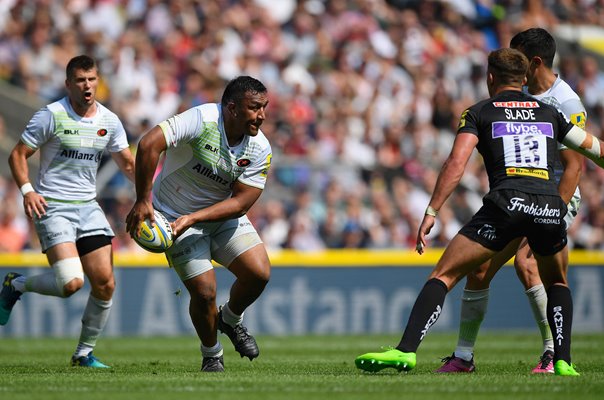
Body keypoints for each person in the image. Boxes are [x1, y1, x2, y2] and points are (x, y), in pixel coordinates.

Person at [355, 47, 604, 376]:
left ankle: (406, 351)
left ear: (490, 77)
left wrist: (432, 210)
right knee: (557, 281)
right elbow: (594, 149)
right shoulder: (549, 113)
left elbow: (456, 163)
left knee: (443, 274)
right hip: (548, 205)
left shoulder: (479, 112)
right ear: (524, 77)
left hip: (507, 203)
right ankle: (562, 360)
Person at [436, 28, 587, 374]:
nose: (513, 67)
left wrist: (554, 214)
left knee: (526, 263)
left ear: (533, 62)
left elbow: (574, 168)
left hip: (554, 197)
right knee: (480, 268)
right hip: (518, 195)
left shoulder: (566, 102)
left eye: (518, 59)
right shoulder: (520, 96)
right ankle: (463, 357)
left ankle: (552, 354)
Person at [125, 75, 272, 373]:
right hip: (171, 215)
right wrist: (143, 199)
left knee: (259, 274)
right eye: (255, 107)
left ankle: (230, 320)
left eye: (264, 107)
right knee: (204, 293)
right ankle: (212, 355)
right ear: (232, 108)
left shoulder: (260, 148)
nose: (262, 115)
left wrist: (194, 218)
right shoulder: (202, 118)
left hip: (217, 217)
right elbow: (149, 144)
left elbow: (242, 203)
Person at [2, 55, 135, 368]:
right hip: (53, 205)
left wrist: (149, 195)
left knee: (105, 283)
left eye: (91, 79)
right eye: (80, 80)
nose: (87, 86)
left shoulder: (109, 121)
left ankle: (83, 354)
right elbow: (18, 155)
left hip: (88, 207)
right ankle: (16, 284)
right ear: (68, 84)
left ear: (97, 81)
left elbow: (128, 163)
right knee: (71, 283)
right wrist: (27, 191)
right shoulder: (51, 115)